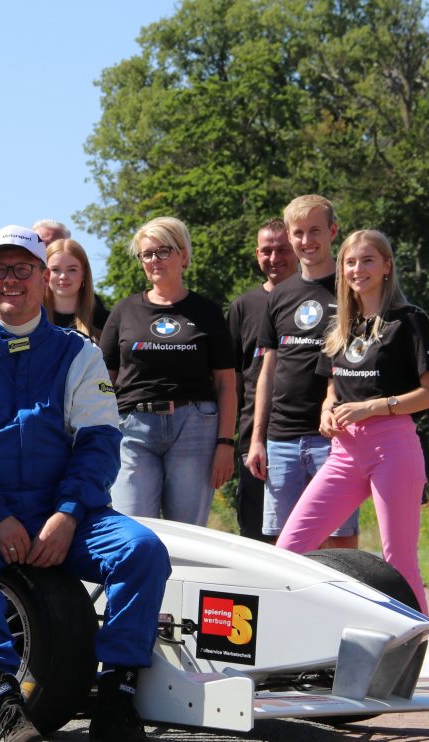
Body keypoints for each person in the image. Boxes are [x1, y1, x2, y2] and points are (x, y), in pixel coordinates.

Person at [0, 225, 169, 742]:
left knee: (142, 551)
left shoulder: (79, 352)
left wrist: (69, 512)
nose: (12, 280)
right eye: (1, 269)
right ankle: (3, 700)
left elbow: (99, 444)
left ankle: (116, 693)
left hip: (61, 509)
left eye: (24, 269)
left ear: (43, 279)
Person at [276, 230, 429, 612]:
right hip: (343, 452)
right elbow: (333, 386)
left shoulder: (410, 320)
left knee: (398, 560)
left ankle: (418, 652)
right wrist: (325, 410)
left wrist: (373, 408)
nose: (358, 269)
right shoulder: (341, 326)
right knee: (290, 548)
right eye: (350, 262)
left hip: (393, 446)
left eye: (368, 260)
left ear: (387, 266)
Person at [99, 217, 237, 526]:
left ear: (184, 255)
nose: (154, 260)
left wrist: (225, 443)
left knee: (188, 534)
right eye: (146, 254)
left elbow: (226, 383)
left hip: (194, 428)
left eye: (163, 251)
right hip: (132, 429)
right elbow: (104, 378)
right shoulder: (124, 310)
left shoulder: (208, 312)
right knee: (132, 530)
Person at [246, 195, 359, 548]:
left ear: (333, 232)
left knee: (339, 543)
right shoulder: (279, 296)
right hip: (280, 440)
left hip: (335, 437)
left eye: (315, 231)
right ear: (290, 238)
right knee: (285, 547)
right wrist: (256, 439)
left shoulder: (352, 291)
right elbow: (268, 370)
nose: (307, 241)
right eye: (299, 233)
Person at [226, 219, 298, 542]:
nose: (274, 258)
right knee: (256, 535)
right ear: (257, 254)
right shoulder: (243, 306)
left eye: (282, 249)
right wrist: (230, 440)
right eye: (266, 250)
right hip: (253, 441)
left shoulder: (316, 299)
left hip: (302, 434)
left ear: (295, 251)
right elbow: (232, 379)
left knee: (304, 537)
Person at [44, 238, 110, 342]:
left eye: (72, 269)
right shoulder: (30, 320)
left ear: (84, 274)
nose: (63, 276)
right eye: (55, 269)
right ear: (45, 274)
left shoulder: (107, 323)